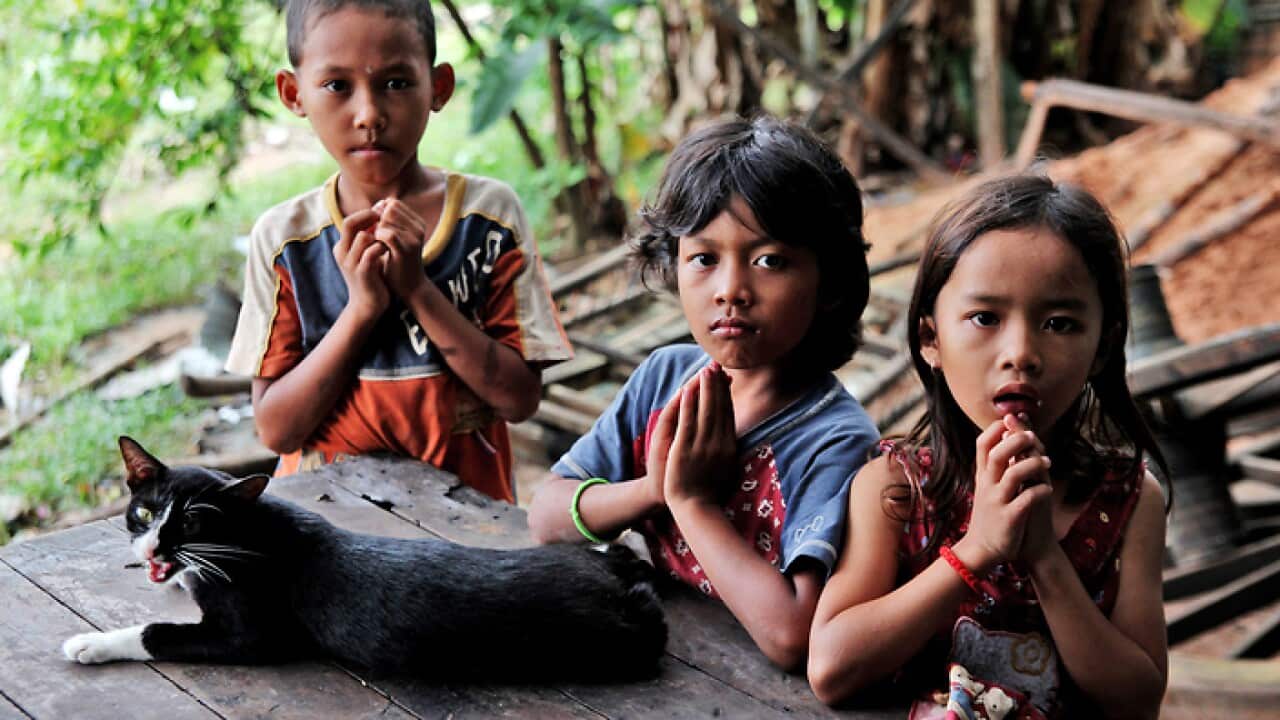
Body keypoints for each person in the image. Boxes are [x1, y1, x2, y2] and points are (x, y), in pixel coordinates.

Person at [807, 175, 1170, 719]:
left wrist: (1044, 555)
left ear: (1101, 347)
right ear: (931, 338)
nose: (1020, 352)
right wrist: (977, 549)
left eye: (1059, 323)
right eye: (985, 318)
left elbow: (1137, 701)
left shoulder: (1129, 501)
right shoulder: (897, 487)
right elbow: (832, 669)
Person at [526, 115, 880, 670]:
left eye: (769, 260)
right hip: (664, 660)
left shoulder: (836, 440)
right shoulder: (665, 378)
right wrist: (654, 490)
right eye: (704, 259)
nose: (731, 291)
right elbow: (546, 516)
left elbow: (794, 635)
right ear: (674, 267)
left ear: (831, 281)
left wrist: (692, 503)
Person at [224, 0, 571, 503]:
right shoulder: (286, 241)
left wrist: (417, 289)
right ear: (293, 93)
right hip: (329, 534)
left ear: (439, 87)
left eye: (396, 83)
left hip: (468, 527)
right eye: (337, 86)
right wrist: (361, 312)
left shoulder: (487, 218)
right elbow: (277, 431)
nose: (369, 115)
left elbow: (520, 399)